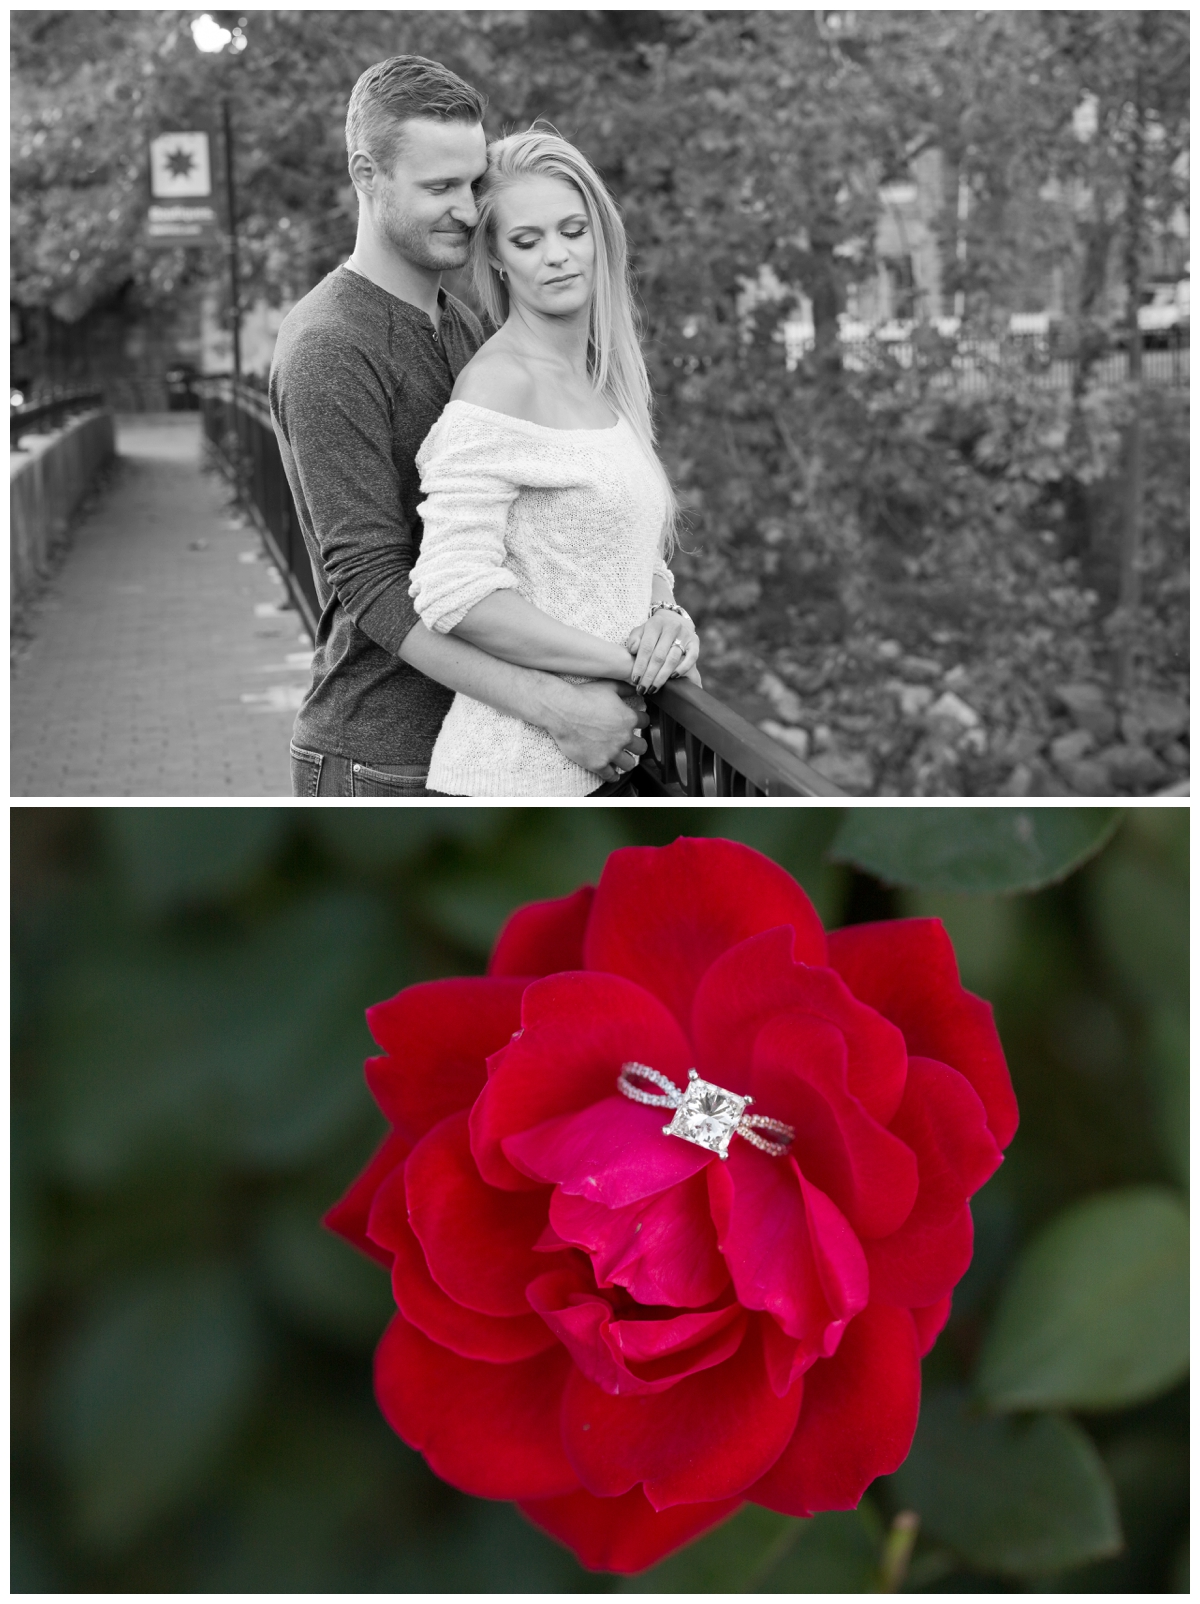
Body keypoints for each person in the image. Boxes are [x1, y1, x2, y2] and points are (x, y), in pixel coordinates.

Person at [269, 56, 648, 796]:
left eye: (474, 184)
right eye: (439, 188)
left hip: (483, 740)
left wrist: (658, 611)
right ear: (366, 175)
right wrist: (556, 704)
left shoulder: (461, 322)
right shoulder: (328, 346)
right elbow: (372, 582)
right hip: (382, 753)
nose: (471, 211)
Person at [408, 126, 699, 796]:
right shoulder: (499, 385)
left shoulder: (604, 381)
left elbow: (624, 556)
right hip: (513, 783)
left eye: (572, 230)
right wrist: (629, 667)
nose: (558, 256)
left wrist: (669, 622)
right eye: (528, 240)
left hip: (611, 764)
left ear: (600, 236)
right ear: (500, 259)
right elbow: (453, 589)